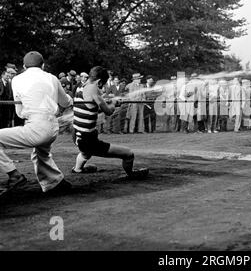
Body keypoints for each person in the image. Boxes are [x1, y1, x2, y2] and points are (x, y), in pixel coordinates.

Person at [0, 51, 73, 193]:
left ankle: (14, 175)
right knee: (40, 154)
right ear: (43, 65)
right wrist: (70, 101)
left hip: (37, 126)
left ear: (24, 66)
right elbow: (65, 101)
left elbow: (19, 112)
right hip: (53, 126)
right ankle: (55, 182)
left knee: (39, 147)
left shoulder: (17, 79)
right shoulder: (52, 78)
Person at [72, 66, 149, 179]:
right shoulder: (93, 88)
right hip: (87, 140)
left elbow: (90, 106)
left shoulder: (81, 86)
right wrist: (114, 104)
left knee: (86, 152)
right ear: (98, 81)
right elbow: (108, 111)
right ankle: (131, 174)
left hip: (77, 135)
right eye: (102, 85)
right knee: (128, 154)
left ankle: (78, 169)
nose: (101, 88)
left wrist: (104, 101)